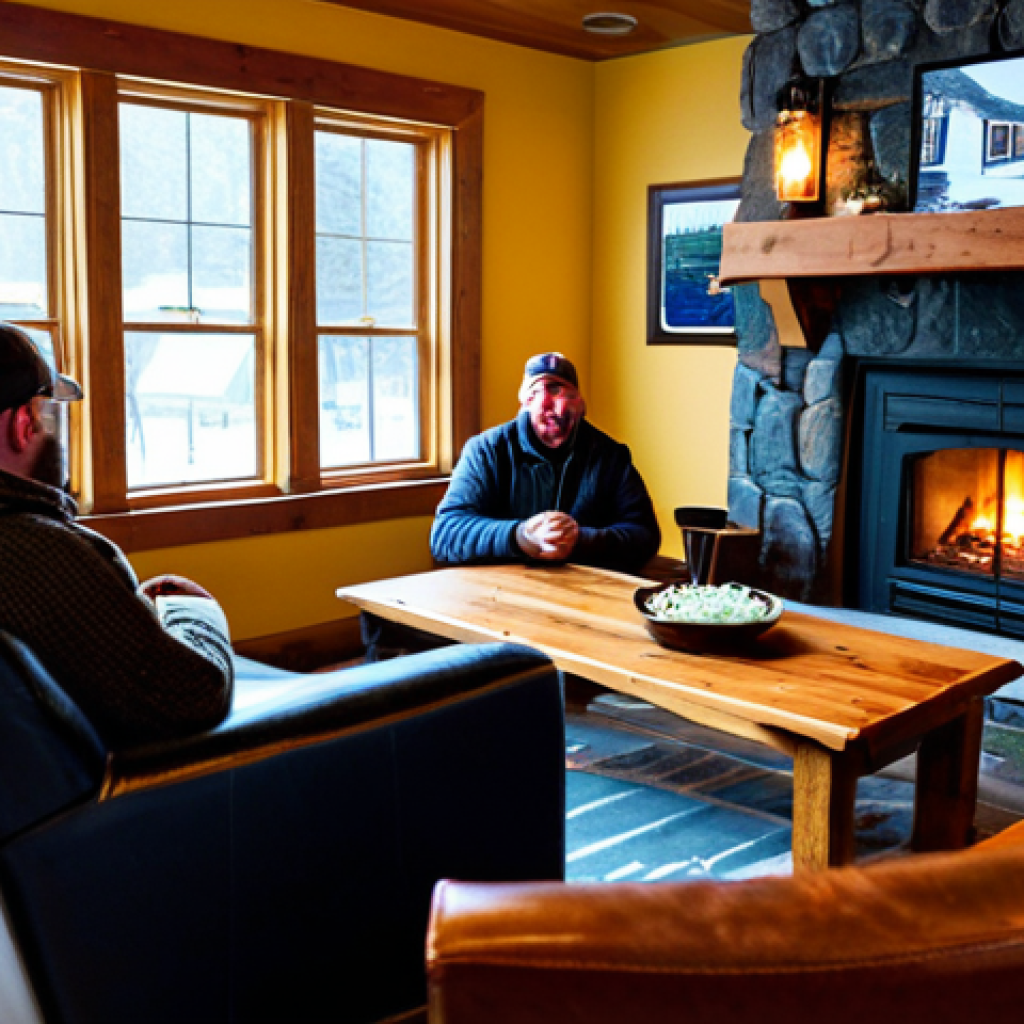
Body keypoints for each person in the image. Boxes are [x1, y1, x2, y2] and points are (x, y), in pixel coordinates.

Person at [0, 323, 233, 748]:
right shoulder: (36, 551)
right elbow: (193, 696)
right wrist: (193, 611)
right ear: (24, 424)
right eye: (48, 411)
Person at [430, 352, 660, 574]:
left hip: (584, 594)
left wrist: (580, 539)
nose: (556, 411)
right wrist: (520, 536)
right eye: (543, 397)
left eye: (564, 395)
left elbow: (644, 535)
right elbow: (445, 535)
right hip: (499, 594)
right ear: (526, 402)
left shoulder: (608, 456)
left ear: (580, 405)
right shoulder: (486, 450)